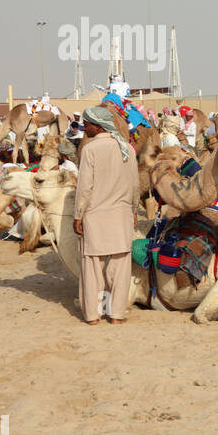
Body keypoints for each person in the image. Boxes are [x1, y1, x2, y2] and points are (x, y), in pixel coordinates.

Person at [74, 107, 140, 325]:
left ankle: (93, 316)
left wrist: (78, 215)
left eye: (87, 123)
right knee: (120, 268)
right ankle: (116, 315)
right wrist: (133, 210)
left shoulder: (90, 150)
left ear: (98, 125)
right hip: (121, 215)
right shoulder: (127, 149)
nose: (84, 127)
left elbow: (84, 187)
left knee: (93, 267)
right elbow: (135, 184)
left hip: (95, 216)